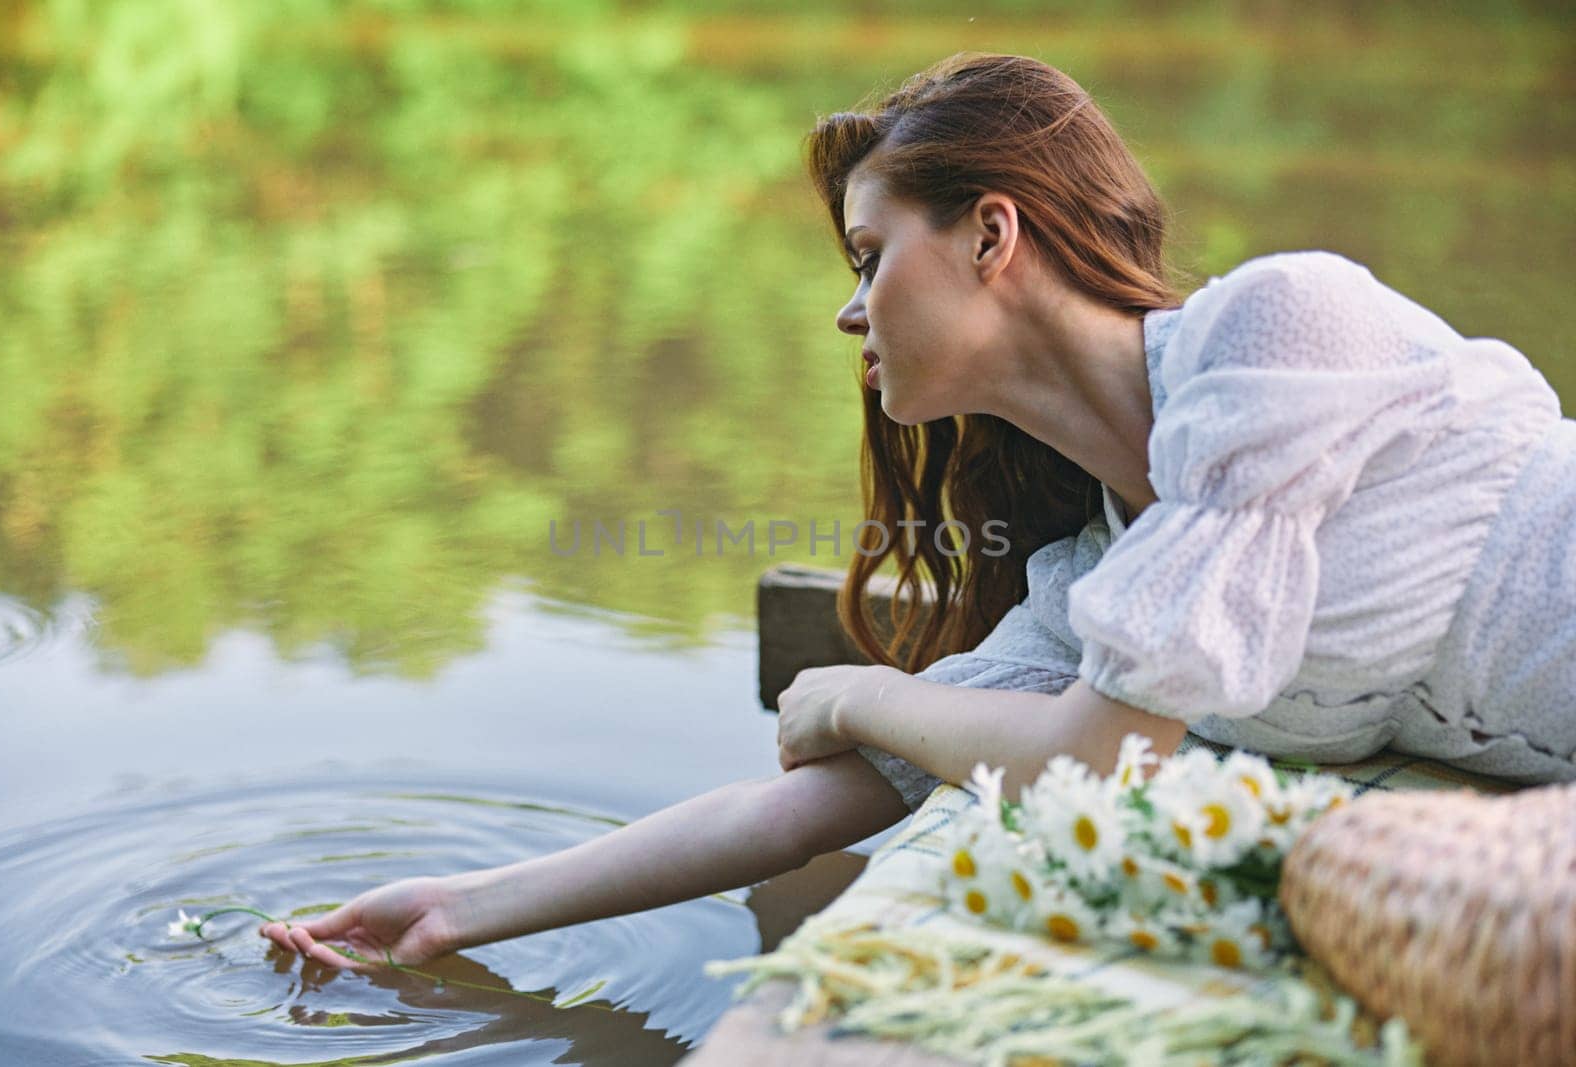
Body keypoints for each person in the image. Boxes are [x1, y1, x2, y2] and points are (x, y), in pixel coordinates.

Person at [261, 51, 1575, 971]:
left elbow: (1096, 761)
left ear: (993, 237)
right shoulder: (1096, 584)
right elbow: (810, 806)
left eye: (869, 257)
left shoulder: (1282, 332)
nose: (848, 313)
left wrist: (852, 690)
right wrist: (455, 910)